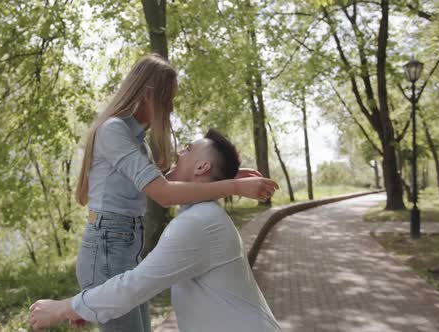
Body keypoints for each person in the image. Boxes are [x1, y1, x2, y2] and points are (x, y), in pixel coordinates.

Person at [65, 54, 278, 332]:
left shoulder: (135, 141)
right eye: (170, 98)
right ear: (150, 94)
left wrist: (229, 174)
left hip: (124, 247)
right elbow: (163, 193)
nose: (172, 107)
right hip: (107, 247)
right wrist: (236, 187)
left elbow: (163, 182)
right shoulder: (113, 130)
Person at [30, 129, 281, 332]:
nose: (179, 153)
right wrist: (86, 306)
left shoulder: (199, 222)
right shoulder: (203, 216)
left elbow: (136, 284)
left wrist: (63, 308)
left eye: (187, 149)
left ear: (202, 167)